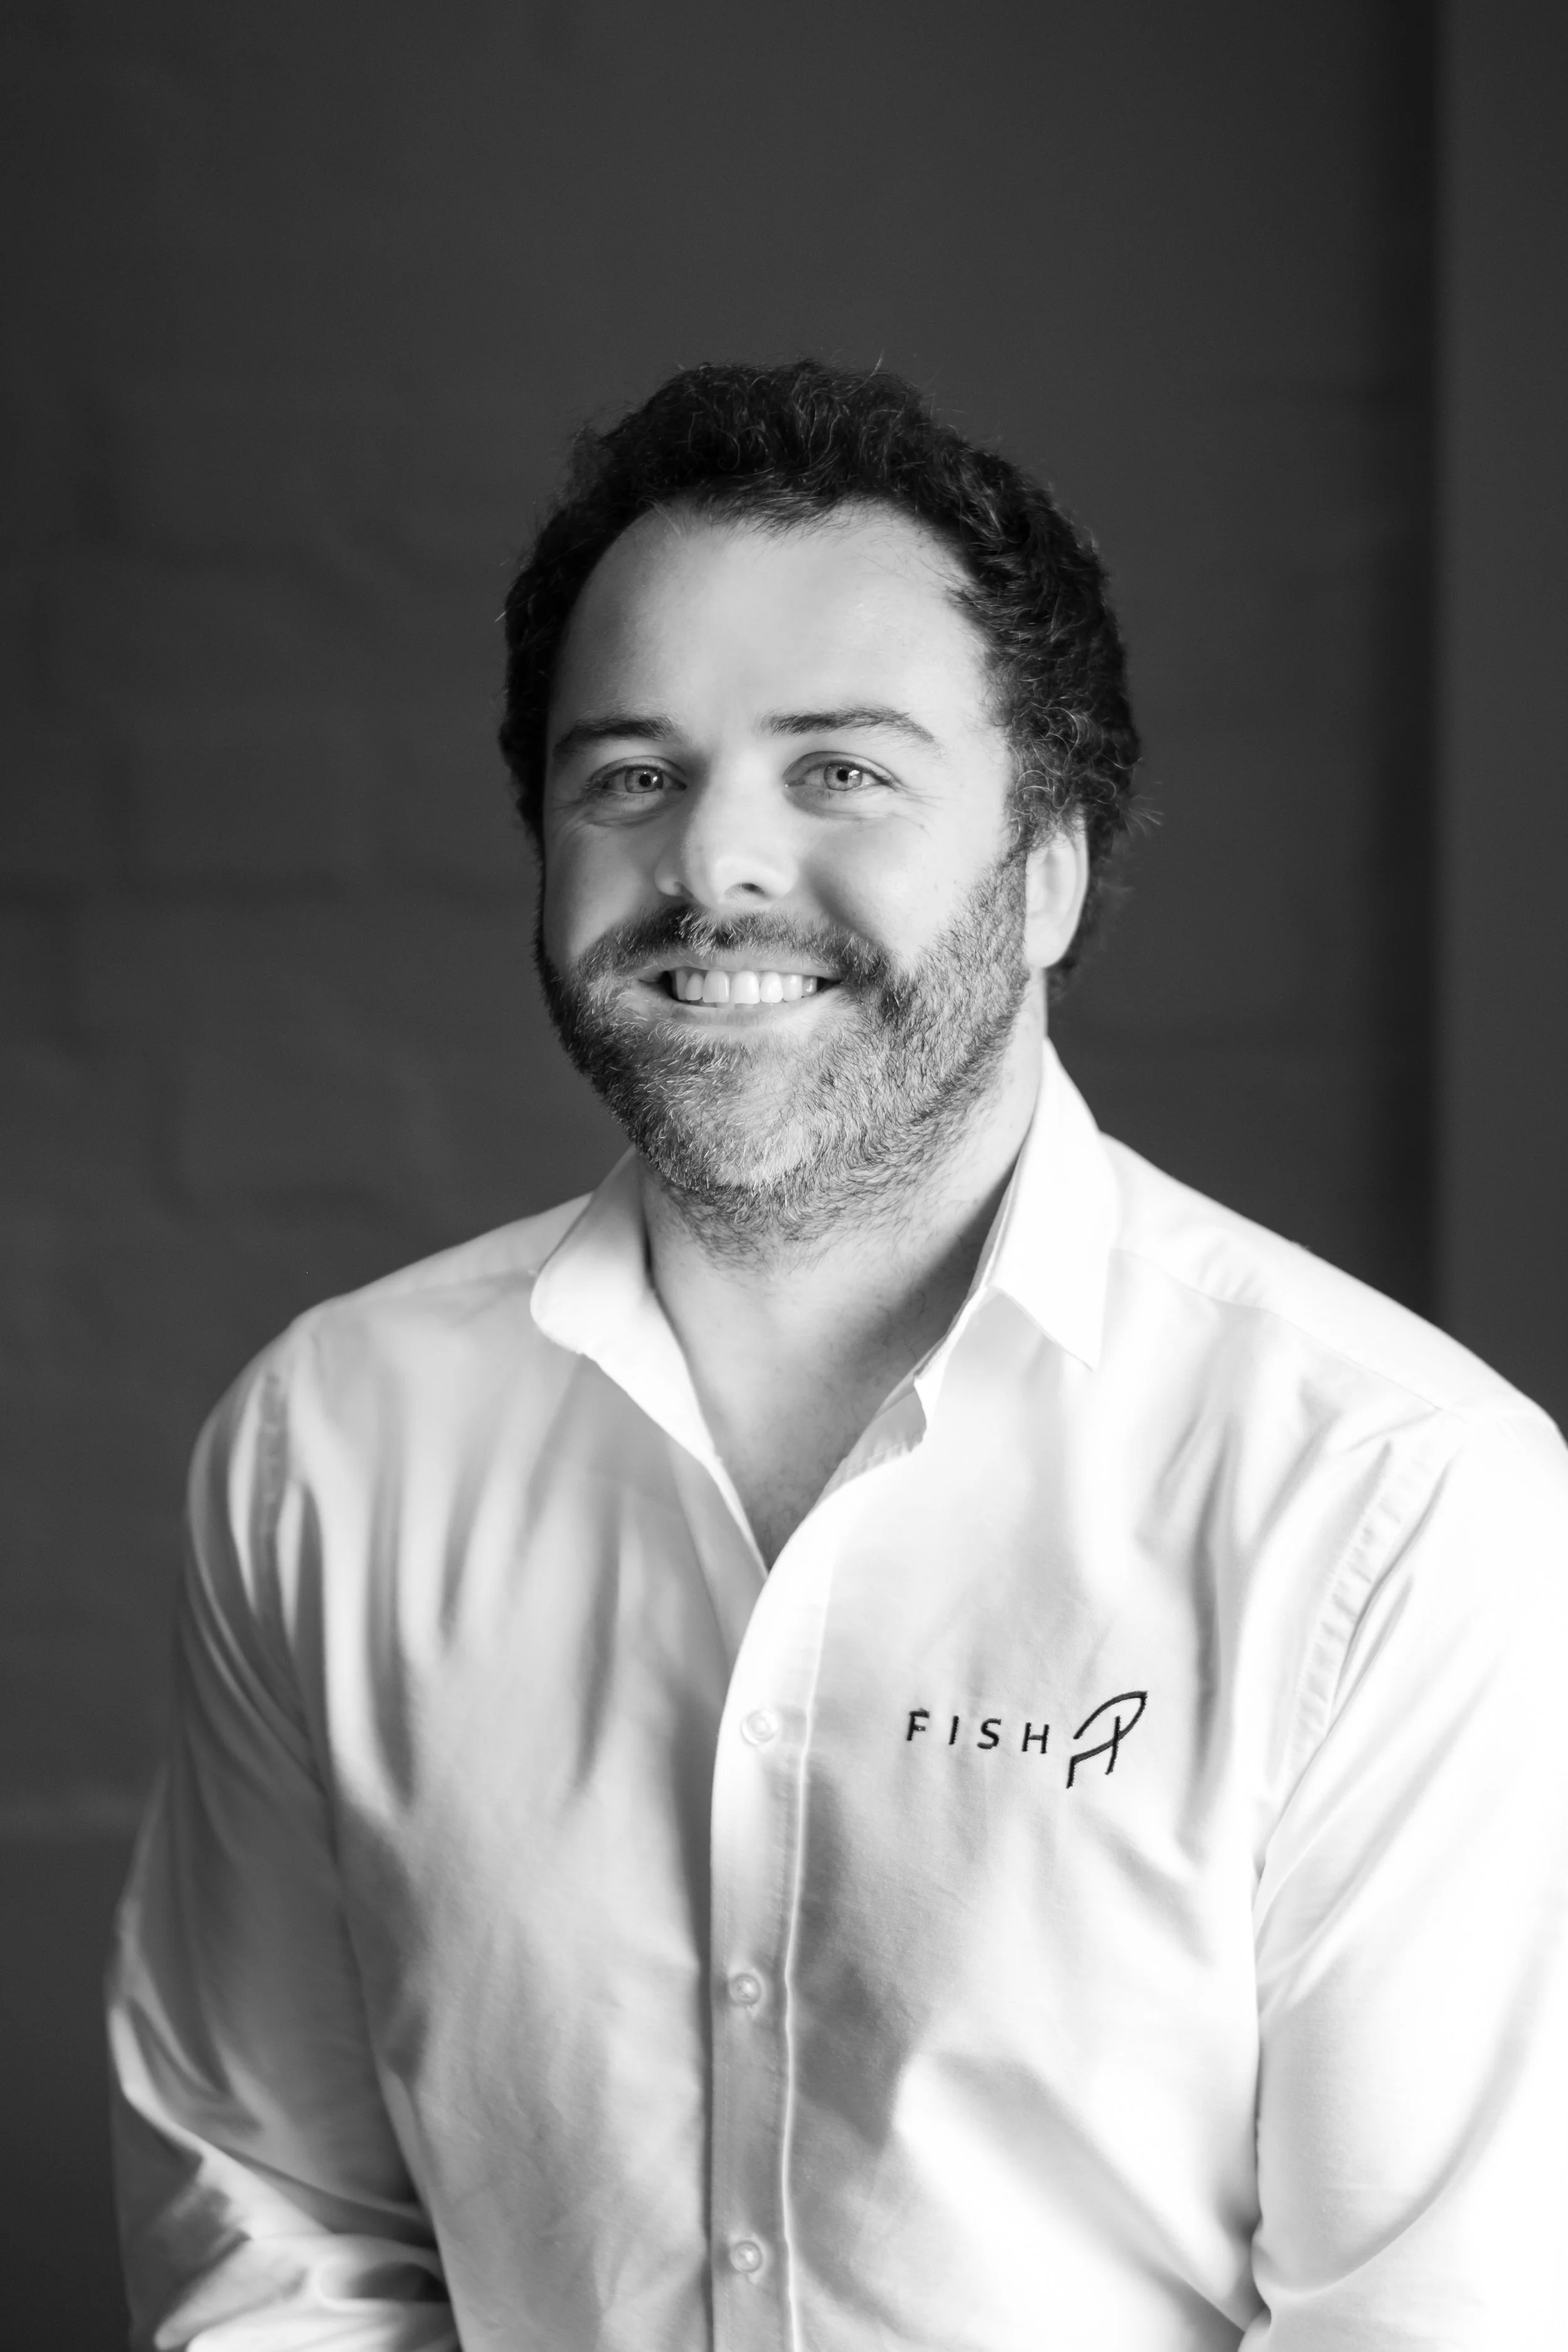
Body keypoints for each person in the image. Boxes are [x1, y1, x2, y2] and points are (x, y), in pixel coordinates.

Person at [108, 359, 1568, 2350]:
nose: (712, 864)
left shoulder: (1390, 1496)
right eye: (628, 772)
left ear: (1047, 872)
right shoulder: (331, 1444)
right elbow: (274, 2219)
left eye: (841, 769)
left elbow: (1429, 2318)